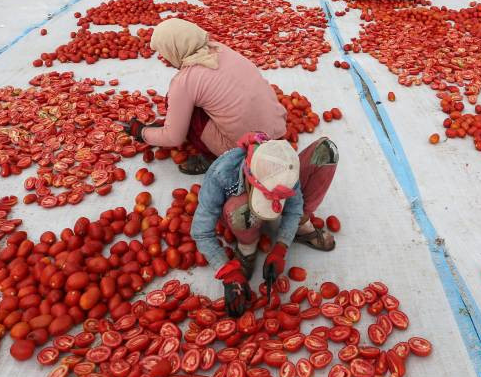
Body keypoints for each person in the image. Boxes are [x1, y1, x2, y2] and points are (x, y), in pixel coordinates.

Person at [191, 132, 338, 316]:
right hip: (235, 208)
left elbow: (293, 208)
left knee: (326, 153)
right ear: (248, 173)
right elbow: (201, 232)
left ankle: (301, 225)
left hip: (276, 187)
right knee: (241, 211)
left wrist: (281, 247)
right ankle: (247, 247)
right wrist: (227, 271)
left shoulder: (284, 170)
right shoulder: (221, 174)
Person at [125, 18, 287, 175]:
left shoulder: (184, 81)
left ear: (173, 48)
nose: (165, 59)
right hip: (277, 131)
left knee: (178, 104)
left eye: (164, 52)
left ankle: (211, 158)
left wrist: (142, 132)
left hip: (246, 150)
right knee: (194, 101)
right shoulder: (220, 48)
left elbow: (174, 138)